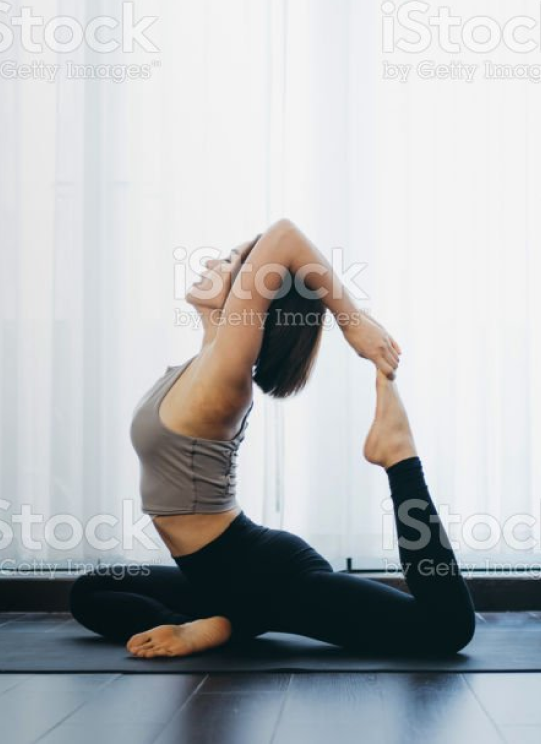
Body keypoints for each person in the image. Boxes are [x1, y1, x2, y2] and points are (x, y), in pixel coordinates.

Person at [69, 218, 476, 658]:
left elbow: (284, 236)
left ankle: (399, 455)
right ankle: (232, 620)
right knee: (91, 593)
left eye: (230, 263)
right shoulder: (200, 363)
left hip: (266, 576)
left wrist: (353, 322)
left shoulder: (224, 373)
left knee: (444, 630)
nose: (210, 262)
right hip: (213, 577)